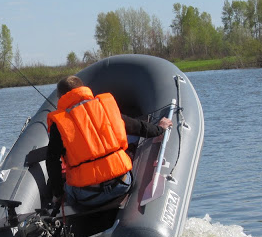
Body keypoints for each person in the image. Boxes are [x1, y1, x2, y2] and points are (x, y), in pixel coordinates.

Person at [46, 75, 172, 208]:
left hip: (88, 195)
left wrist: (58, 194)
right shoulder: (104, 107)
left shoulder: (59, 124)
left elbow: (52, 160)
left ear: (61, 97)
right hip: (121, 184)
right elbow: (137, 127)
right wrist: (159, 129)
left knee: (63, 185)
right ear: (83, 89)